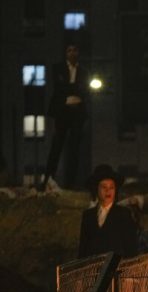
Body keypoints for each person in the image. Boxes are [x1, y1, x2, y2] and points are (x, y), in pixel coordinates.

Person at [40, 44, 89, 191]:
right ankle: (48, 179)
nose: (72, 53)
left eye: (75, 50)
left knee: (74, 148)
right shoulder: (58, 68)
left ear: (79, 52)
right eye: (69, 50)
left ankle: (71, 183)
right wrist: (68, 99)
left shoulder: (84, 71)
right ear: (65, 53)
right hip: (62, 111)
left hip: (77, 113)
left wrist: (76, 98)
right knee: (57, 145)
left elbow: (84, 90)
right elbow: (59, 88)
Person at [77, 165, 138, 259]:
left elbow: (131, 249)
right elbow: (83, 250)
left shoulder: (123, 214)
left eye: (111, 187)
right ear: (96, 189)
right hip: (93, 270)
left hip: (117, 269)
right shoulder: (88, 216)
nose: (108, 191)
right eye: (103, 187)